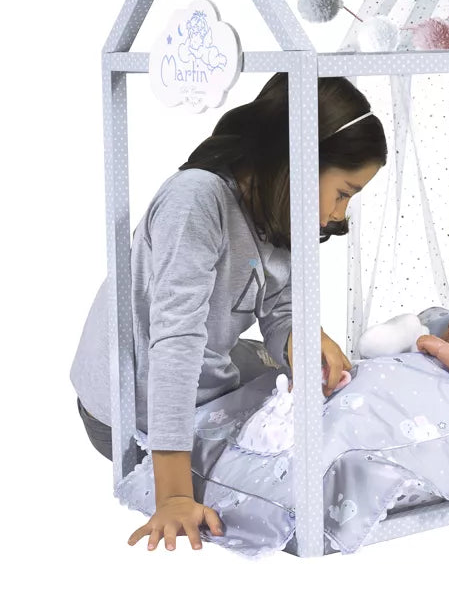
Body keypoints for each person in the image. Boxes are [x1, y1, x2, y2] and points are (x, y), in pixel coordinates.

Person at [69, 73, 387, 551]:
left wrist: (302, 339)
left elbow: (278, 305)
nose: (340, 213)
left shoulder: (280, 212)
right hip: (132, 408)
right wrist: (174, 495)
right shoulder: (197, 199)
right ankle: (182, 465)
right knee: (276, 431)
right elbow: (174, 344)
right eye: (343, 192)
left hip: (201, 364)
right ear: (298, 162)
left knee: (304, 388)